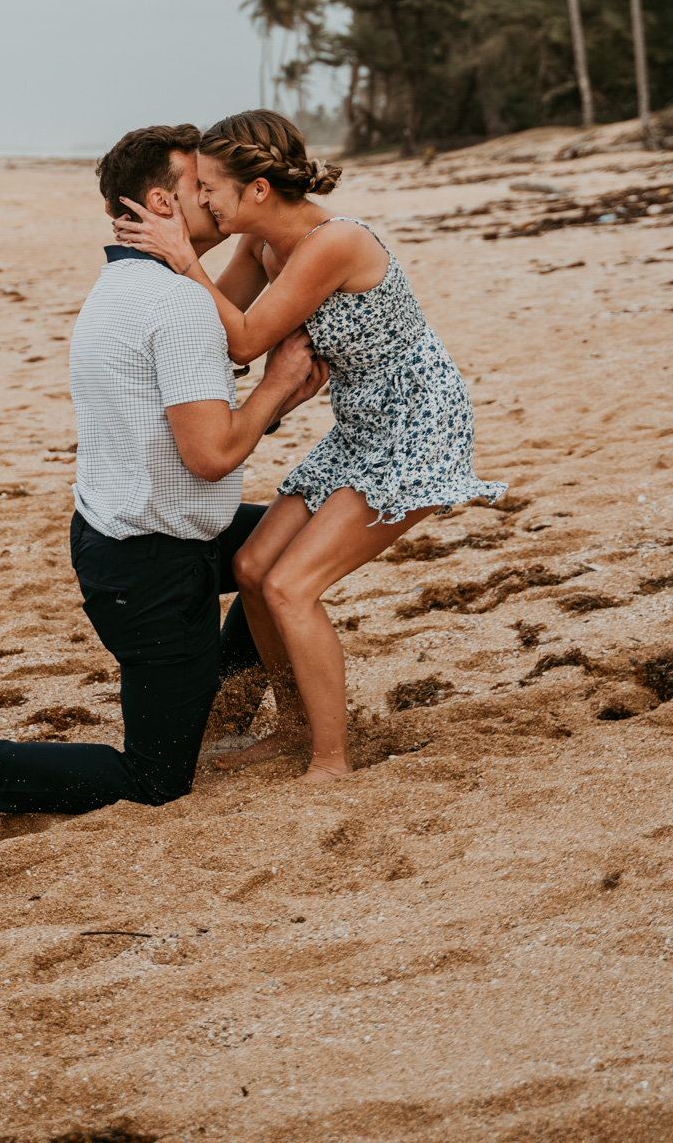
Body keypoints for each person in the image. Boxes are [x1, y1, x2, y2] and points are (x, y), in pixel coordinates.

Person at [0, 122, 327, 839]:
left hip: (143, 537)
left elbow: (185, 434)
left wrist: (270, 405)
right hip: (152, 570)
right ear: (163, 205)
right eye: (200, 188)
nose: (215, 198)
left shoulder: (125, 283)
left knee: (299, 546)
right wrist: (278, 384)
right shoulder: (177, 304)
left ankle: (219, 699)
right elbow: (209, 456)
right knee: (154, 782)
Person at [112, 108, 506, 785]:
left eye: (209, 188)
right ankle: (295, 729)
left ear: (258, 190)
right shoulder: (262, 245)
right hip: (359, 426)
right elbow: (214, 325)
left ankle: (331, 760)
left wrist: (183, 258)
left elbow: (243, 339)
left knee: (292, 586)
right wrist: (162, 270)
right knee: (255, 568)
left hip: (416, 426)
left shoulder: (336, 242)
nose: (199, 201)